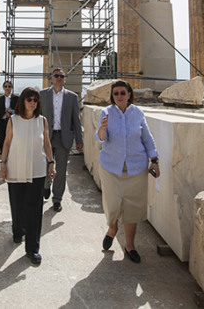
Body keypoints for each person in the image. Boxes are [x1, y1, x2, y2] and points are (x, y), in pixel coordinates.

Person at [95, 79, 160, 263]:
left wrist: (154, 160)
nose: (119, 96)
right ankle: (112, 228)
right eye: (116, 94)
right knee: (113, 203)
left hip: (135, 167)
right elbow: (101, 138)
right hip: (111, 167)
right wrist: (102, 129)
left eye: (123, 93)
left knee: (133, 206)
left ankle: (130, 245)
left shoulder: (138, 113)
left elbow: (147, 138)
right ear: (112, 96)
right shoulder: (106, 112)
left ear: (129, 94)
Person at [0, 86, 56, 266]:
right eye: (29, 99)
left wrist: (52, 163)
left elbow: (46, 143)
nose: (32, 102)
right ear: (22, 101)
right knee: (18, 206)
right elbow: (7, 143)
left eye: (35, 100)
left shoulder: (43, 121)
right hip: (16, 168)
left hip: (37, 171)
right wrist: (3, 163)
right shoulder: (13, 120)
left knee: (34, 210)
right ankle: (17, 230)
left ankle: (33, 249)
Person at [40, 67, 83, 212]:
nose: (59, 78)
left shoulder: (72, 97)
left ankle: (57, 198)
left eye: (62, 76)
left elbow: (76, 119)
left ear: (65, 79)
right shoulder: (42, 95)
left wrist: (79, 139)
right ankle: (46, 185)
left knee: (61, 169)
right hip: (46, 136)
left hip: (64, 136)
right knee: (45, 165)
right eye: (56, 75)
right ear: (51, 78)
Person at [0, 80, 18, 156]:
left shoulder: (16, 98)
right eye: (5, 86)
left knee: (12, 139)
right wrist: (4, 111)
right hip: (2, 122)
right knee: (2, 139)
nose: (7, 88)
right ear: (3, 88)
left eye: (9, 86)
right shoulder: (0, 99)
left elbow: (19, 110)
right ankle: (3, 156)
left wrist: (10, 112)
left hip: (12, 122)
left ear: (12, 88)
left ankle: (11, 155)